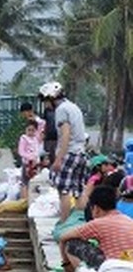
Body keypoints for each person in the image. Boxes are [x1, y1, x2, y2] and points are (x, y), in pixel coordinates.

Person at [41, 81, 88, 221]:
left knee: (64, 191)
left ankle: (64, 224)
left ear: (51, 98)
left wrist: (58, 159)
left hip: (69, 153)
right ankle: (79, 223)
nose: (45, 104)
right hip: (81, 153)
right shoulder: (73, 107)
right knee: (79, 191)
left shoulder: (61, 110)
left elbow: (65, 134)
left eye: (45, 100)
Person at [59, 185, 133, 272]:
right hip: (129, 265)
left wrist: (66, 263)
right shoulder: (128, 220)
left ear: (96, 208)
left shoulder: (97, 224)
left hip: (112, 268)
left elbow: (63, 238)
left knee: (72, 243)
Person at [18, 120, 41, 199]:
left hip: (35, 164)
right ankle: (24, 200)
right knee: (25, 182)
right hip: (27, 163)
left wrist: (36, 159)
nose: (30, 132)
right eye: (29, 130)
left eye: (33, 130)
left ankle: (32, 198)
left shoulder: (35, 139)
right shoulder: (24, 138)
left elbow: (37, 150)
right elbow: (21, 152)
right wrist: (30, 158)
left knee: (34, 181)